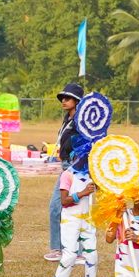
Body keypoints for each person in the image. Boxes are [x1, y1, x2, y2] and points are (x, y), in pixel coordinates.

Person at [48, 149, 97, 277]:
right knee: (70, 254)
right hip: (71, 220)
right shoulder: (67, 175)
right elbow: (64, 201)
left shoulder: (90, 175)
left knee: (92, 254)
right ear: (75, 158)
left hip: (87, 219)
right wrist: (82, 193)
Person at [46, 82, 83, 262]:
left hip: (74, 167)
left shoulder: (81, 122)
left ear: (77, 101)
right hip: (66, 166)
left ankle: (62, 249)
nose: (64, 100)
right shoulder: (67, 119)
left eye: (68, 98)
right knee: (64, 207)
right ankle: (71, 249)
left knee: (58, 207)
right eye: (62, 98)